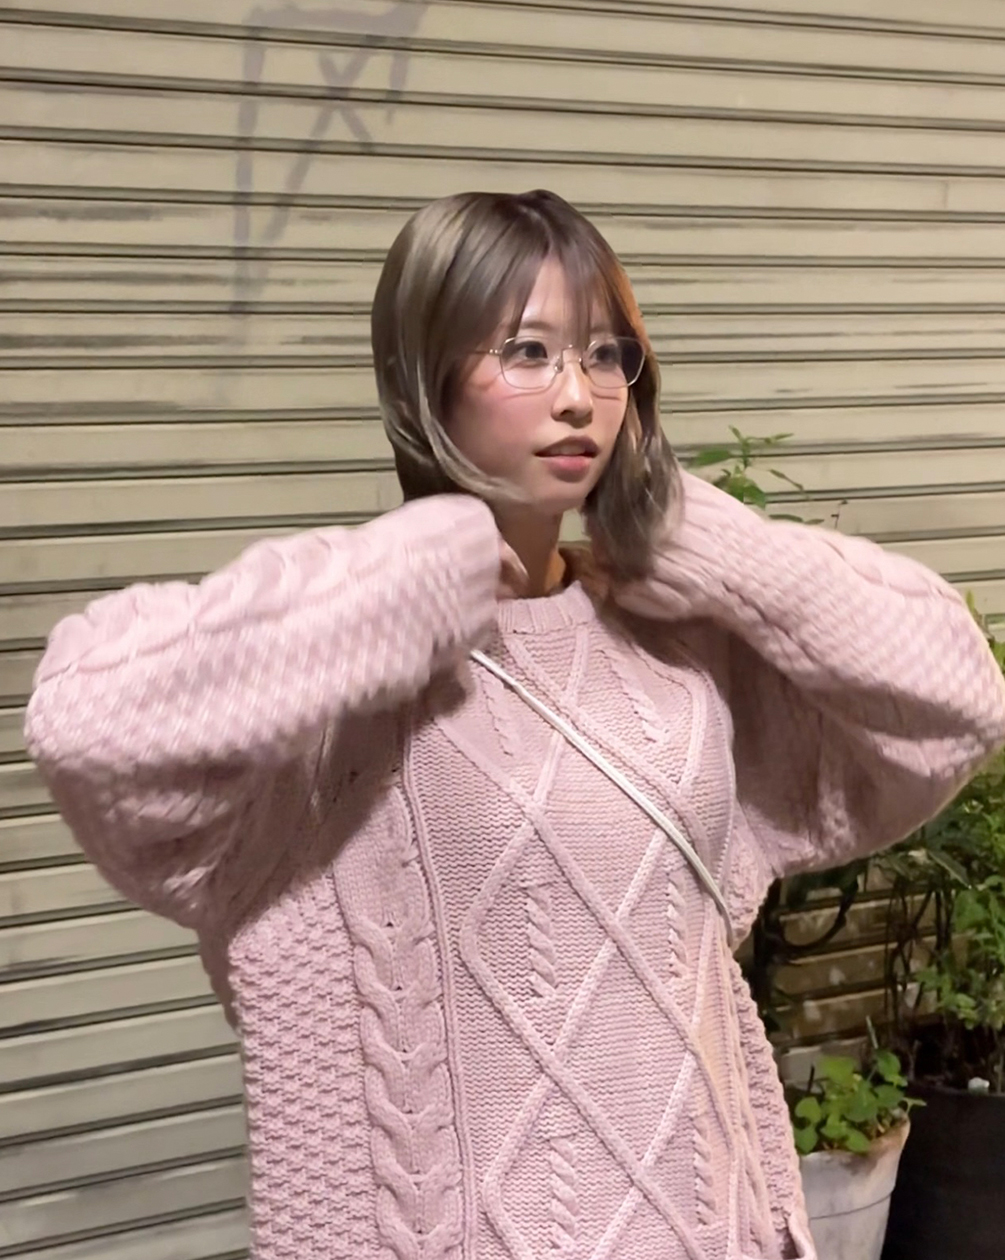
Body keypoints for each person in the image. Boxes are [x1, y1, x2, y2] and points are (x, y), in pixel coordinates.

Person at [25, 189, 1005, 1260]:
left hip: (714, 1223)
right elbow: (86, 723)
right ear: (425, 375)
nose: (579, 397)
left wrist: (700, 541)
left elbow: (955, 698)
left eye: (606, 354)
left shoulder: (675, 641)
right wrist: (413, 571)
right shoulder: (340, 672)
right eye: (527, 352)